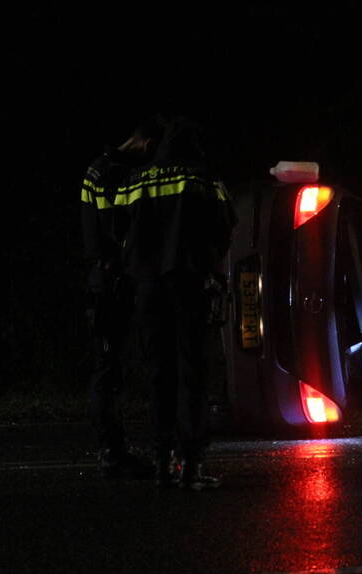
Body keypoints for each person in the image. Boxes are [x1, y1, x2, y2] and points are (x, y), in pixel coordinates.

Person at [115, 116, 237, 490]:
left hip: (148, 288)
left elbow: (120, 228)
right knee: (193, 374)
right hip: (189, 284)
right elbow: (224, 223)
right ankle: (192, 462)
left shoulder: (136, 180)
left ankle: (162, 461)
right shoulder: (200, 179)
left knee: (159, 373)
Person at [80, 115, 166, 478]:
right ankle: (112, 453)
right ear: (147, 145)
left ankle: (113, 449)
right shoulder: (120, 176)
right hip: (115, 284)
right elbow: (125, 233)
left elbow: (93, 232)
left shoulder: (95, 170)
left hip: (102, 280)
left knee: (110, 368)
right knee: (110, 369)